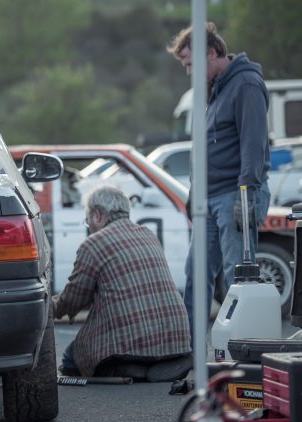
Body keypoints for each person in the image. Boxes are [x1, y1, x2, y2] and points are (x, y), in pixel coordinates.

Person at [167, 23, 271, 342]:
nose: (188, 72)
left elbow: (253, 146)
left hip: (234, 197)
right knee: (196, 277)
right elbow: (204, 149)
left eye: (190, 64)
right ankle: (191, 356)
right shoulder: (216, 89)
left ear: (211, 53)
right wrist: (194, 195)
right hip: (210, 201)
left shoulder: (246, 84)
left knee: (236, 278)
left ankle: (241, 355)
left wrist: (246, 198)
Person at [55, 185, 191, 381]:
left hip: (131, 342)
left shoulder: (93, 244)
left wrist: (47, 307)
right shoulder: (148, 235)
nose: (89, 227)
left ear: (97, 215)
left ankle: (126, 366)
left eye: (87, 221)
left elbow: (74, 299)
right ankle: (159, 362)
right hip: (176, 339)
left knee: (71, 356)